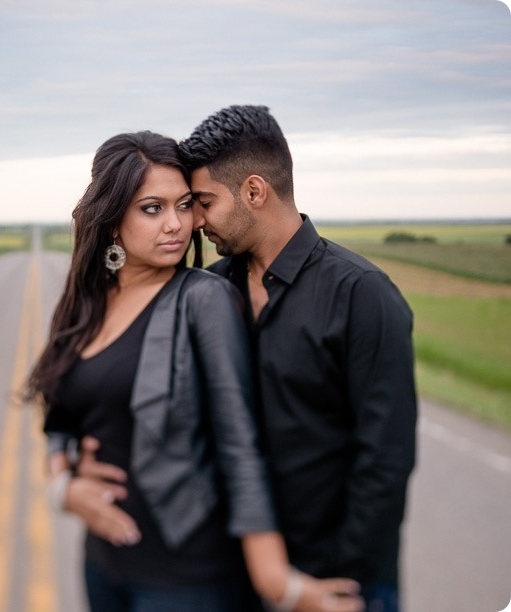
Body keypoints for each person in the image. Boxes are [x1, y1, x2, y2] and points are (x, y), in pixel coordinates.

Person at [79, 106, 417, 611]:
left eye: (204, 203)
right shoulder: (210, 290)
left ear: (255, 192)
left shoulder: (362, 296)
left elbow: (384, 462)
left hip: (336, 583)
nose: (194, 221)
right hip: (236, 574)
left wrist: (334, 581)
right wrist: (74, 473)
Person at [25, 131, 362, 612]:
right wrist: (64, 488)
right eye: (152, 208)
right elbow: (59, 414)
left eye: (184, 205)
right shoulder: (87, 302)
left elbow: (239, 442)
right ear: (113, 219)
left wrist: (275, 582)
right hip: (104, 567)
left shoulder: (202, 299)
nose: (176, 225)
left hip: (186, 580)